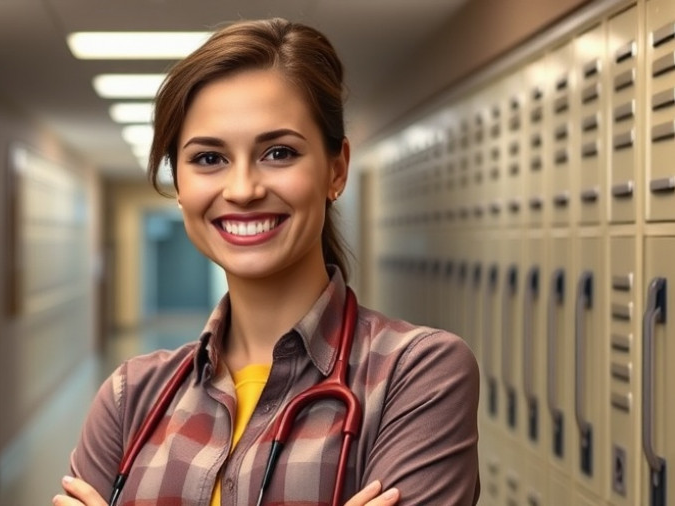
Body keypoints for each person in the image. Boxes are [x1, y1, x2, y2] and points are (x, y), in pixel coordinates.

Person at [53, 18, 480, 506]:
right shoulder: (131, 396)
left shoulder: (417, 375)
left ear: (336, 170)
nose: (242, 190)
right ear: (180, 186)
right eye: (209, 159)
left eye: (278, 153)